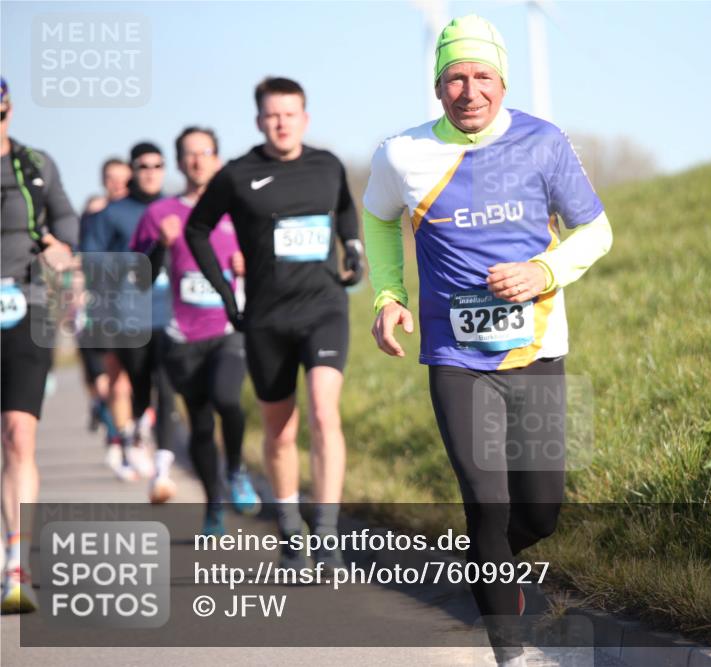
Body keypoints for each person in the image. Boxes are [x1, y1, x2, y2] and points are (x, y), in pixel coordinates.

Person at [362, 16, 613, 666]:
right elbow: (380, 219)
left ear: (502, 81)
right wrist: (388, 296)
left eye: (480, 77)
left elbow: (597, 231)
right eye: (453, 78)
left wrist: (544, 271)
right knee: (487, 502)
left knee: (541, 512)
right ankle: (511, 649)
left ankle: (488, 565)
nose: (468, 90)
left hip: (538, 352)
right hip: (455, 357)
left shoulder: (544, 142)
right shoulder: (402, 154)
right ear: (438, 86)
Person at [186, 77, 364, 569]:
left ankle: (326, 531)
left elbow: (346, 211)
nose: (282, 122)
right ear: (259, 121)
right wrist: (226, 292)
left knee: (325, 414)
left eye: (290, 113)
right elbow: (196, 228)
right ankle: (289, 527)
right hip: (267, 317)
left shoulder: (327, 165)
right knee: (280, 430)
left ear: (305, 118)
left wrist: (353, 247)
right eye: (272, 115)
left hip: (325, 307)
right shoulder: (239, 174)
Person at [130, 126, 260, 528]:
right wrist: (159, 248)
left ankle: (237, 469)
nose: (197, 160)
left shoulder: (238, 210)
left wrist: (247, 266)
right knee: (201, 427)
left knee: (228, 400)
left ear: (217, 158)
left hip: (228, 328)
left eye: (204, 152)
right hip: (183, 337)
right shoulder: (160, 215)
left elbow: (269, 267)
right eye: (189, 153)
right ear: (180, 161)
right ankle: (213, 505)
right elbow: (136, 281)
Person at [0, 76, 78, 614]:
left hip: (27, 308)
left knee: (17, 434)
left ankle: (15, 565)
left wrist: (64, 248)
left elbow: (67, 218)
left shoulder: (34, 164)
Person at [81, 141, 176, 482]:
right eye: (143, 166)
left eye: (157, 165)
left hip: (172, 315)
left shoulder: (176, 208)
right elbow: (92, 264)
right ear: (132, 171)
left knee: (165, 388)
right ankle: (131, 433)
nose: (150, 172)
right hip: (127, 317)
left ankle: (162, 467)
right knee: (134, 386)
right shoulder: (111, 214)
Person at [77, 158, 131, 436]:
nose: (118, 184)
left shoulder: (140, 213)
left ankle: (128, 430)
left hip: (137, 306)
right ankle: (119, 435)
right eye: (111, 178)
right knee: (109, 378)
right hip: (101, 306)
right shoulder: (93, 217)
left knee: (130, 381)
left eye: (123, 178)